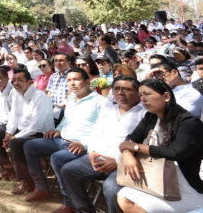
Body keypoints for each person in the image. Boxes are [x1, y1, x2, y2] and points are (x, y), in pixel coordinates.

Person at [56, 76, 146, 213]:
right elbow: (95, 133)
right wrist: (92, 152)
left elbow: (142, 146)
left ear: (137, 92)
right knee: (68, 170)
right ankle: (84, 210)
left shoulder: (145, 113)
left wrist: (117, 162)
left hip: (125, 164)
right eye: (116, 89)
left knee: (111, 188)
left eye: (126, 89)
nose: (120, 93)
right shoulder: (110, 109)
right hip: (98, 158)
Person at [117, 79, 203, 213]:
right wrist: (127, 154)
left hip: (184, 187)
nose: (143, 99)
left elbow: (175, 153)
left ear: (166, 96)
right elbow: (129, 140)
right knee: (123, 196)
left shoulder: (188, 122)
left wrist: (135, 148)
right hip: (156, 180)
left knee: (137, 204)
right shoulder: (151, 117)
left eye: (147, 94)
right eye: (140, 95)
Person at [21, 68, 104, 202]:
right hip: (61, 140)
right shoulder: (71, 99)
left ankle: (69, 202)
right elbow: (66, 120)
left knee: (57, 158)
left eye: (76, 79)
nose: (72, 83)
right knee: (30, 145)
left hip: (81, 146)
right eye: (69, 80)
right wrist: (58, 130)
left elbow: (103, 129)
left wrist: (84, 143)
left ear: (87, 81)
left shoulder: (100, 102)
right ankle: (41, 188)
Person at [0, 68, 54, 192]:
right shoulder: (16, 94)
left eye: (20, 80)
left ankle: (27, 182)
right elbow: (13, 117)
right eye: (14, 80)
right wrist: (8, 133)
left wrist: (15, 137)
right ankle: (8, 169)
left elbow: (36, 125)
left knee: (16, 142)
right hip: (23, 131)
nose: (16, 83)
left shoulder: (39, 96)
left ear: (30, 82)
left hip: (41, 133)